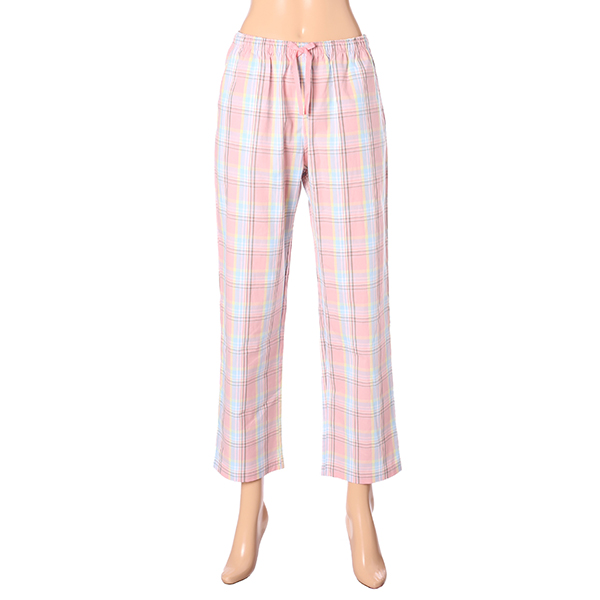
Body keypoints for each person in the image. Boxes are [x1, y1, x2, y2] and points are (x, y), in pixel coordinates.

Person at [213, 1, 402, 588]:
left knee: (359, 304)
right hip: (254, 76)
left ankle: (359, 502)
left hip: (346, 77)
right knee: (247, 306)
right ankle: (250, 501)